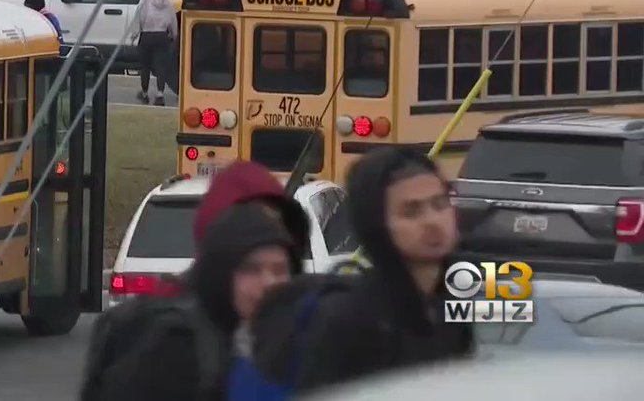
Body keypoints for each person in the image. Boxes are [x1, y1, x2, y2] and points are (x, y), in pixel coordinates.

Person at [80, 161, 309, 401]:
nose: (269, 280)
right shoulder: (172, 337)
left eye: (278, 266)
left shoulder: (286, 333)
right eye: (252, 266)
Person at [293, 146, 473, 392]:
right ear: (377, 224)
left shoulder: (451, 308)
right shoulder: (349, 321)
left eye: (440, 203)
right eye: (411, 211)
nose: (432, 221)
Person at [134, 0, 177, 106]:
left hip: (147, 34)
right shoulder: (169, 2)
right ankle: (160, 94)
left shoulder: (144, 1)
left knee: (145, 66)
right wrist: (175, 35)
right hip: (162, 35)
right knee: (161, 66)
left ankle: (145, 93)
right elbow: (172, 20)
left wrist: (135, 34)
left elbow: (139, 18)